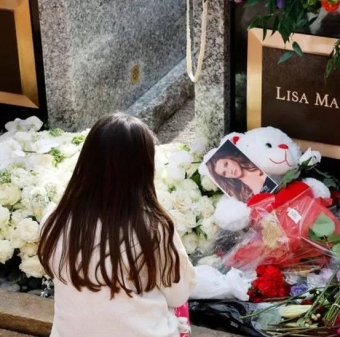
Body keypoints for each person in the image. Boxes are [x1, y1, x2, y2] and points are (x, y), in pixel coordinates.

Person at [38, 113, 196, 337]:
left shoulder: (54, 220)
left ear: (87, 161)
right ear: (144, 168)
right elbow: (179, 293)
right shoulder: (153, 227)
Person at [206, 143, 276, 202]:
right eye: (224, 173)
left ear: (230, 157)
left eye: (226, 164)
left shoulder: (256, 161)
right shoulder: (240, 195)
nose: (230, 171)